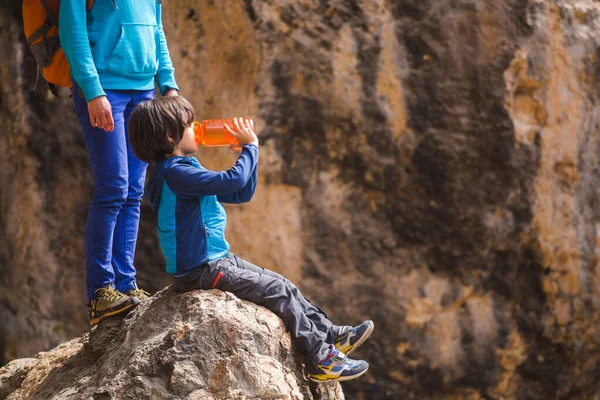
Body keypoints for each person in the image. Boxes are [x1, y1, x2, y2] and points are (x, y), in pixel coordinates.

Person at [127, 96, 374, 382]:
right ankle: (321, 360)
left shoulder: (181, 171)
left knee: (281, 284)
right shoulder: (176, 173)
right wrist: (249, 147)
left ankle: (329, 335)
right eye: (190, 125)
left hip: (214, 260)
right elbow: (233, 181)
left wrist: (249, 155)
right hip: (201, 269)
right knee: (276, 292)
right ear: (171, 136)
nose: (197, 129)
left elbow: (240, 192)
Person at [59, 0, 179, 325]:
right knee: (113, 187)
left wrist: (168, 83)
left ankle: (126, 284)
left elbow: (156, 29)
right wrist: (93, 90)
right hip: (104, 91)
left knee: (133, 191)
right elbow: (72, 32)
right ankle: (100, 292)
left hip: (144, 92)